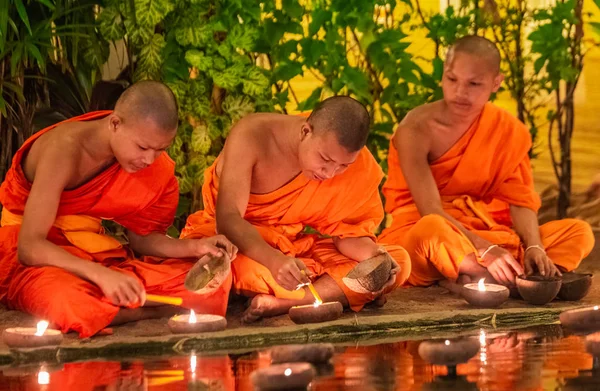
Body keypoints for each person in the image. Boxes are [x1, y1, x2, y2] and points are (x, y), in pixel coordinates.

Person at [0, 81, 236, 338]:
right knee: (67, 300)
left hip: (96, 253)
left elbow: (142, 239)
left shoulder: (152, 166)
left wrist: (196, 247)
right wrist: (101, 276)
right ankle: (142, 309)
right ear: (115, 124)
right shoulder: (63, 150)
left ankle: (112, 309)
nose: (149, 160)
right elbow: (30, 247)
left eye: (160, 150)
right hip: (40, 259)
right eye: (143, 147)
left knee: (212, 282)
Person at [378, 36, 594, 287]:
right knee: (431, 230)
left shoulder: (507, 130)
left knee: (579, 233)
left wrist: (535, 247)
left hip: (485, 231)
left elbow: (520, 200)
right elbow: (430, 212)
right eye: (452, 79)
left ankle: (500, 275)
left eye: (473, 84)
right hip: (426, 235)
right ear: (443, 76)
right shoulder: (415, 129)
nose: (460, 92)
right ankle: (509, 278)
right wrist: (486, 249)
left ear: (496, 83)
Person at [181, 96, 411, 322]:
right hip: (244, 245)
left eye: (343, 166)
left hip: (294, 247)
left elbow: (348, 236)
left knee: (399, 261)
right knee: (239, 269)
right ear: (305, 132)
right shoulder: (252, 135)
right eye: (325, 159)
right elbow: (228, 219)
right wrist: (274, 261)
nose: (329, 173)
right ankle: (341, 296)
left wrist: (375, 259)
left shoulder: (353, 161)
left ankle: (289, 302)